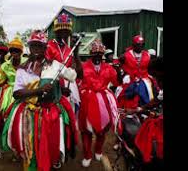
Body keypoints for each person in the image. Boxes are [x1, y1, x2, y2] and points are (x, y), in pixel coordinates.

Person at [1, 30, 79, 171]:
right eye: (33, 46)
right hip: (28, 113)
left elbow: (74, 76)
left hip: (51, 114)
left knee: (50, 147)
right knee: (29, 149)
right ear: (29, 48)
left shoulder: (55, 65)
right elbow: (17, 94)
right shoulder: (23, 69)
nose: (36, 50)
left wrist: (76, 54)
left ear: (45, 48)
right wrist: (38, 90)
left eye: (40, 46)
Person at [75, 39, 119, 167]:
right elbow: (77, 76)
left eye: (100, 55)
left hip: (104, 101)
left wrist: (120, 70)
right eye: (95, 55)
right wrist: (76, 52)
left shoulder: (108, 68)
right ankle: (87, 154)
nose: (98, 57)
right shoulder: (83, 66)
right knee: (86, 130)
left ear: (103, 55)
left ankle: (98, 150)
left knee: (102, 130)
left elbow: (116, 82)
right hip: (88, 101)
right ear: (90, 55)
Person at [0, 36, 27, 159]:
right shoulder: (5, 66)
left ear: (21, 52)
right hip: (8, 96)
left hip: (25, 94)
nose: (15, 53)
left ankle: (19, 149)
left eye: (17, 51)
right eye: (12, 50)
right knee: (3, 122)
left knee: (22, 122)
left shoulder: (27, 63)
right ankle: (0, 146)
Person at [45, 13, 81, 115]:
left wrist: (76, 52)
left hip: (69, 86)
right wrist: (60, 89)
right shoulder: (48, 47)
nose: (64, 33)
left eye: (66, 31)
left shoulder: (69, 49)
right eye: (61, 30)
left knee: (69, 115)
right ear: (56, 31)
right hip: (53, 84)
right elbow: (47, 70)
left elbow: (73, 69)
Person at [117, 35, 154, 109]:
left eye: (142, 44)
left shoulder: (147, 55)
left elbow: (150, 68)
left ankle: (144, 109)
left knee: (147, 90)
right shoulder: (126, 55)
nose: (140, 46)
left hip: (144, 78)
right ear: (133, 45)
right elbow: (120, 67)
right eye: (138, 44)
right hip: (130, 78)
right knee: (126, 93)